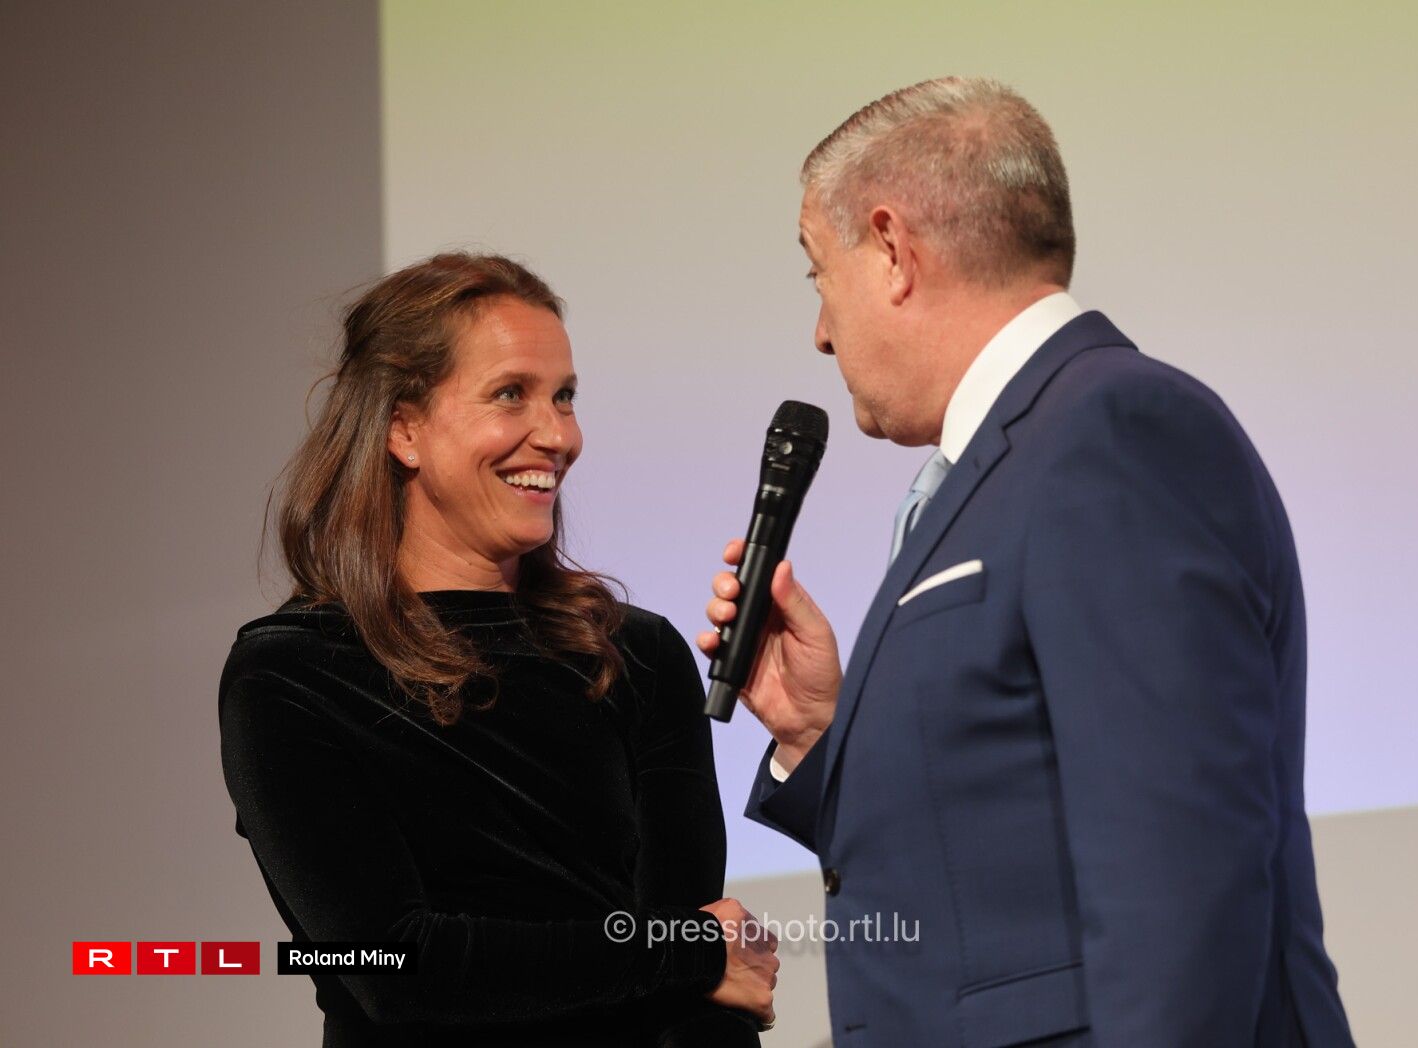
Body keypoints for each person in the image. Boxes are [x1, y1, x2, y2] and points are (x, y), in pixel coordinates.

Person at [699, 78, 1356, 1045]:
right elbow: (998, 847)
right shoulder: (1021, 455)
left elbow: (1178, 878)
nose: (822, 332)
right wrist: (820, 734)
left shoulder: (1114, 430)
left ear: (892, 250)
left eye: (818, 275)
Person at [219, 252, 776, 1047]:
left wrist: (687, 960)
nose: (558, 436)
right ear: (404, 428)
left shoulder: (637, 653)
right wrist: (683, 956)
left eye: (564, 397)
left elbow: (692, 973)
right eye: (511, 394)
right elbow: (394, 968)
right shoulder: (295, 674)